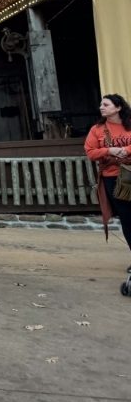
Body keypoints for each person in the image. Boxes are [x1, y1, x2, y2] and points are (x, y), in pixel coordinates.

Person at [84, 94, 131, 272]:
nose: (101, 107)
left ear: (118, 108)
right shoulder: (97, 129)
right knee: (127, 218)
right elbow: (90, 152)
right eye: (101, 105)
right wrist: (109, 149)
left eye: (106, 104)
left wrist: (125, 150)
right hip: (113, 176)